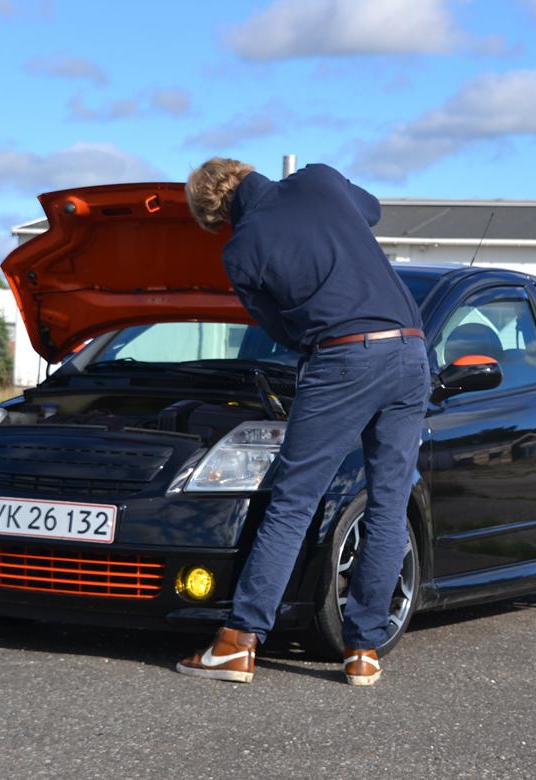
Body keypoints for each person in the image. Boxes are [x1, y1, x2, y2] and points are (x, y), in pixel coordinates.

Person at [176, 158, 429, 686]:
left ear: (215, 213)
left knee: (294, 501)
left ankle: (238, 642)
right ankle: (363, 650)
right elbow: (372, 210)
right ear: (245, 170)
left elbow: (283, 332)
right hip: (409, 351)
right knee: (389, 502)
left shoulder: (240, 251)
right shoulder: (317, 177)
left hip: (342, 358)